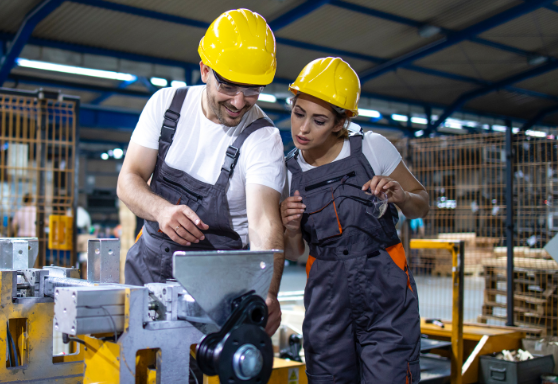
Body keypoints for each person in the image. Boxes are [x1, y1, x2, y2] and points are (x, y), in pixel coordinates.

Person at [117, 8, 286, 337]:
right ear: (205, 68)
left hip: (218, 288)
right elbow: (128, 179)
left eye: (252, 90)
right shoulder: (166, 105)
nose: (239, 102)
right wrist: (161, 210)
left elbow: (265, 221)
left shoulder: (263, 138)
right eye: (228, 86)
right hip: (147, 269)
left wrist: (268, 291)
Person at [280, 57, 429, 383]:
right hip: (327, 303)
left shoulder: (372, 149)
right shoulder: (287, 173)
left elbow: (422, 204)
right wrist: (290, 228)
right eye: (298, 113)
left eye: (318, 121)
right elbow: (295, 253)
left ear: (339, 122)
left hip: (386, 296)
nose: (303, 129)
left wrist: (401, 196)